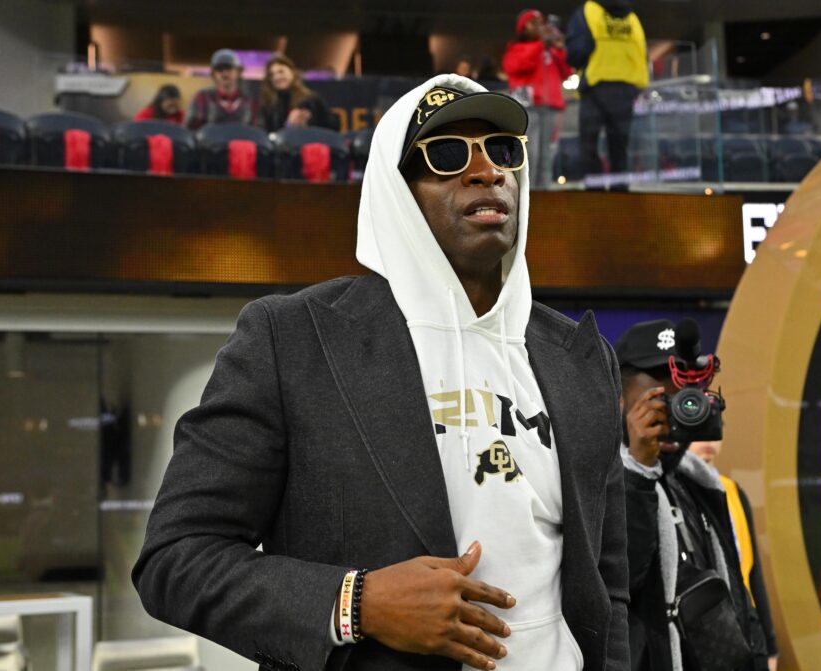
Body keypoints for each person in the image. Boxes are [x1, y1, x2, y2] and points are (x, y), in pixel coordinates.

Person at [133, 74, 628, 671]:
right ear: (397, 192)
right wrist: (355, 603)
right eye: (447, 155)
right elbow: (176, 560)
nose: (486, 171)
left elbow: (608, 579)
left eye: (502, 151)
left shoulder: (577, 354)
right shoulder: (293, 338)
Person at [616, 319, 765, 671]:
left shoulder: (700, 485)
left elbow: (736, 592)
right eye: (658, 399)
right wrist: (638, 466)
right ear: (619, 399)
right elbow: (620, 581)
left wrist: (757, 655)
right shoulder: (597, 483)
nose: (673, 413)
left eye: (684, 399)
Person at [689, 437, 779, 671]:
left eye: (715, 425)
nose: (709, 438)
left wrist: (770, 644)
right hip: (704, 634)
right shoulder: (677, 491)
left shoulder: (733, 491)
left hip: (747, 626)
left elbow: (752, 570)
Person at [565, 0, 648, 190]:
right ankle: (620, 198)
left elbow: (576, 51)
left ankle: (596, 196)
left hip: (596, 86)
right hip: (626, 88)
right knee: (619, 149)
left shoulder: (589, 11)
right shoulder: (632, 18)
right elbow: (641, 52)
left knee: (589, 147)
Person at [502, 10, 572, 188]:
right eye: (533, 23)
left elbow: (567, 72)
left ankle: (543, 197)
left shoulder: (549, 50)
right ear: (522, 28)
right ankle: (527, 196)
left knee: (547, 155)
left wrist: (560, 48)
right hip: (528, 108)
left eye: (540, 22)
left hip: (549, 108)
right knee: (529, 154)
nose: (539, 27)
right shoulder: (517, 47)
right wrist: (541, 44)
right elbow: (516, 66)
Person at [260, 53, 338, 133]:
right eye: (272, 75)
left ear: (293, 73)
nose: (276, 77)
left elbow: (332, 127)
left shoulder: (312, 99)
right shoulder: (269, 105)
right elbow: (266, 133)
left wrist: (309, 123)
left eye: (281, 72)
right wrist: (288, 125)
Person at [185, 48, 259, 130]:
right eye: (219, 69)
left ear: (238, 72)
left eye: (229, 68)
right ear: (213, 74)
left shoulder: (250, 101)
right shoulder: (202, 97)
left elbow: (257, 133)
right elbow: (190, 131)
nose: (224, 73)